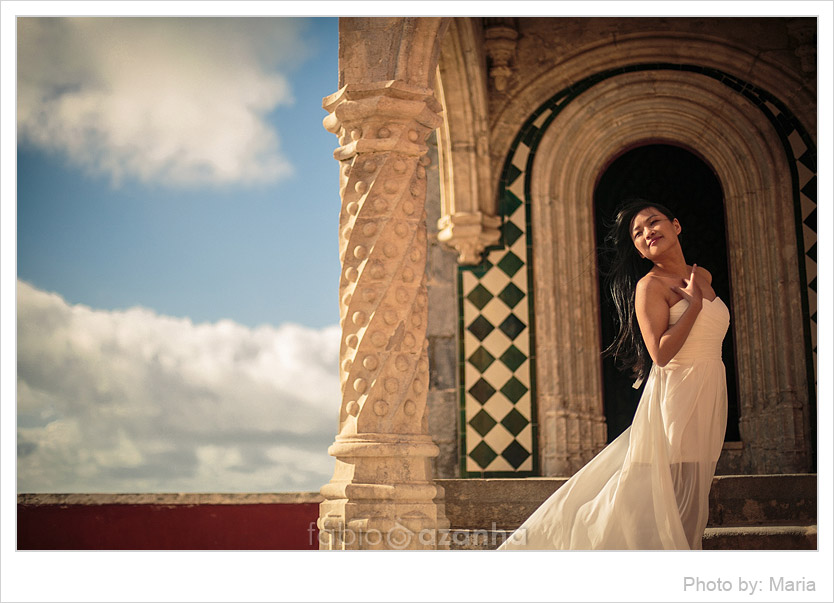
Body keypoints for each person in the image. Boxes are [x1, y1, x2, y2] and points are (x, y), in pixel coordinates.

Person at [498, 199, 730, 550]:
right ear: (638, 249)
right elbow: (661, 354)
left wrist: (698, 296)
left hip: (710, 387)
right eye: (638, 233)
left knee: (694, 489)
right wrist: (694, 306)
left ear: (676, 225)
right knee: (667, 491)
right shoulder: (649, 287)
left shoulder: (704, 276)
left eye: (654, 222)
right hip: (678, 393)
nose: (648, 232)